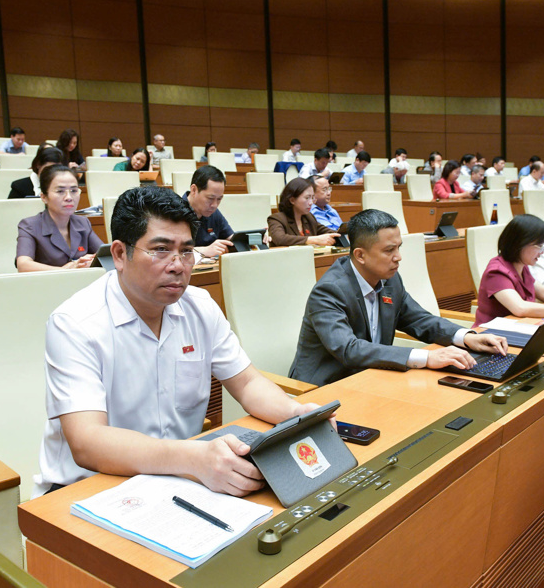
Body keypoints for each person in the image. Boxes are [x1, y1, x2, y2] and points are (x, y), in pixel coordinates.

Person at [33, 186, 328, 497]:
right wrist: (194, 458)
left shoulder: (200, 306)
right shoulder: (76, 323)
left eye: (187, 251)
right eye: (161, 249)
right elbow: (87, 442)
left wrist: (296, 414)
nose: (178, 265)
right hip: (90, 487)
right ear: (120, 254)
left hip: (180, 479)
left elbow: (247, 383)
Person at [289, 209, 508, 386]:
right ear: (360, 255)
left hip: (374, 379)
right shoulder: (329, 291)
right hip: (325, 389)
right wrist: (427, 358)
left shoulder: (390, 280)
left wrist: (466, 337)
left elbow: (419, 319)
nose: (398, 257)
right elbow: (349, 349)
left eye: (399, 248)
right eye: (389, 250)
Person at [16, 165, 102, 272]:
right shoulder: (30, 225)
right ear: (44, 197)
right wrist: (64, 270)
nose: (69, 197)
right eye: (60, 191)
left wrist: (90, 261)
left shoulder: (83, 222)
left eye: (74, 190)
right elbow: (23, 265)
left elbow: (105, 255)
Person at [267, 177, 340, 246]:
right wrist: (314, 239)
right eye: (307, 198)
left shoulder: (309, 217)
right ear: (292, 200)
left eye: (312, 198)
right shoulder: (276, 219)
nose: (311, 202)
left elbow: (330, 232)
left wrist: (345, 231)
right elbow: (280, 239)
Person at [183, 165, 234, 258]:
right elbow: (167, 252)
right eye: (210, 198)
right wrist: (202, 250)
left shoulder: (213, 212)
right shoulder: (173, 211)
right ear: (194, 190)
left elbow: (231, 239)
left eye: (219, 199)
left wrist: (253, 240)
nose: (214, 205)